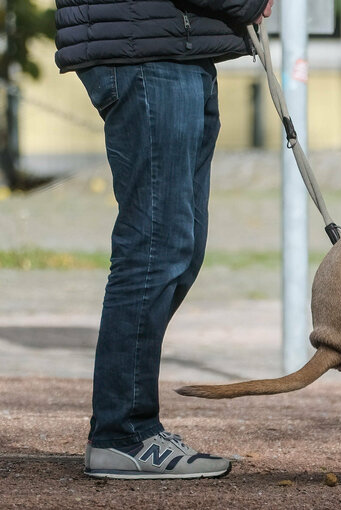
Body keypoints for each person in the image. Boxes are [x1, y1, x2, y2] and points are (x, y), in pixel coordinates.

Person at [54, 0, 273, 479]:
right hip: (145, 55)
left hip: (174, 48)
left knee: (178, 251)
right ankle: (122, 432)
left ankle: (126, 425)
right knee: (154, 248)